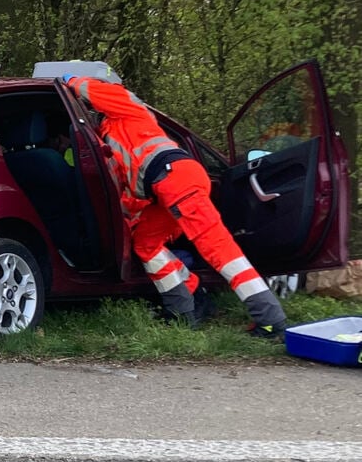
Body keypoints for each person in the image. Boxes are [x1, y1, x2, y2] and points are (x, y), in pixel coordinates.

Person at [62, 73, 287, 337]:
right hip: (162, 188)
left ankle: (270, 319)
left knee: (218, 248)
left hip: (177, 179)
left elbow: (94, 90)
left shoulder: (126, 106)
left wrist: (72, 80)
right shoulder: (110, 137)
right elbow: (130, 188)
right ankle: (183, 310)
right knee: (145, 244)